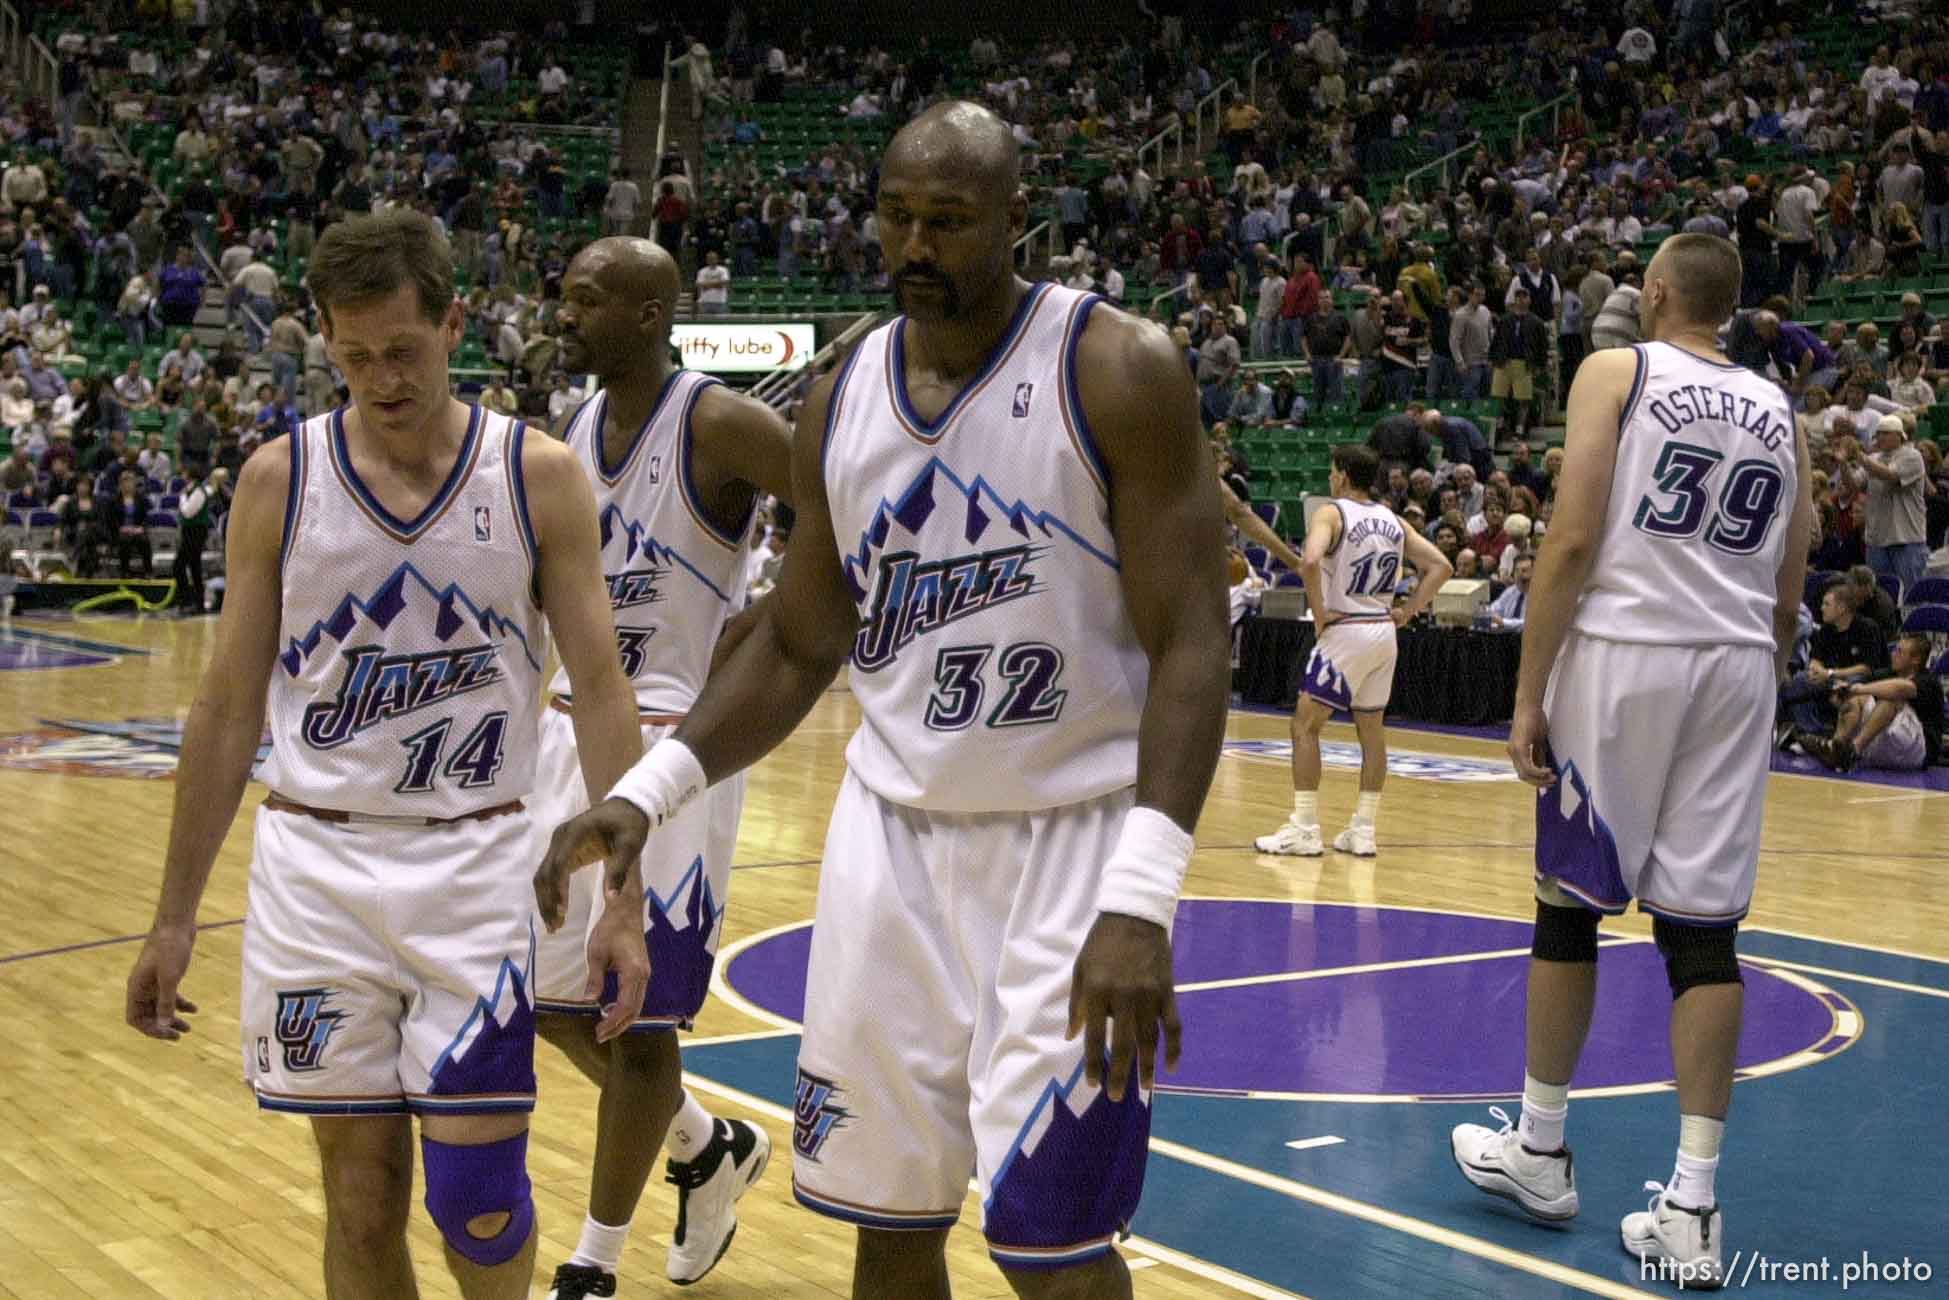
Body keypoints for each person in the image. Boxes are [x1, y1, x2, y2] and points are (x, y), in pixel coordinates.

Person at [535, 101, 1230, 1300]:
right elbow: (799, 642)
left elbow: (1194, 646)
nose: (915, 245)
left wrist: (1142, 896)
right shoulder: (847, 387)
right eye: (896, 217)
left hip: (1070, 850)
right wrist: (647, 793)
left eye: (949, 222)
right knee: (886, 1225)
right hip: (889, 851)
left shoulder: (1118, 369)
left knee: (1049, 1243)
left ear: (1018, 221)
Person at [123, 210, 649, 1300]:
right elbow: (226, 710)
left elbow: (600, 691)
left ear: (454, 321)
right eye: (352, 356)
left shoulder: (537, 475)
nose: (379, 378)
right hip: (317, 873)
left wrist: (624, 902)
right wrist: (174, 915)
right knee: (360, 1201)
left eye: (401, 350)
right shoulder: (281, 478)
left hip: (475, 866)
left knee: (480, 1201)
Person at [1450, 235, 1814, 1290]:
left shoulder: (1618, 369)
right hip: (1738, 663)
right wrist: (1748, 662)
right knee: (1704, 933)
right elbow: (1789, 584)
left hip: (1625, 654)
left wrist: (1528, 691)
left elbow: (1567, 541)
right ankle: (1692, 1206)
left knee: (1566, 903)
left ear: (1654, 294)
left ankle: (1540, 1147)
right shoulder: (1780, 414)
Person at [534, 237, 794, 1298]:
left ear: (649, 314)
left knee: (632, 1017)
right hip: (569, 730)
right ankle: (702, 1145)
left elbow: (846, 511)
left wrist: (772, 619)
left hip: (675, 743)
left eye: (586, 299)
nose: (564, 313)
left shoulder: (719, 421)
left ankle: (593, 1264)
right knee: (545, 998)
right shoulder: (575, 429)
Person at [1254, 445, 1453, 858]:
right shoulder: (1393, 521)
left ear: (1342, 476)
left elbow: (1309, 561)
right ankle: (1363, 830)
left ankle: (1305, 828)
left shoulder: (1332, 513)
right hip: (1383, 631)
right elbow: (1441, 567)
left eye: (1331, 471)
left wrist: (1321, 613)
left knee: (1304, 727)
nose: (1330, 478)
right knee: (1372, 731)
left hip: (1346, 629)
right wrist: (1409, 610)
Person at [1800, 634, 1943, 772]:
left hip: (1917, 752)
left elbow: (1900, 688)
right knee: (1854, 700)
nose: (1893, 654)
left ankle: (1854, 750)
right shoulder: (1887, 673)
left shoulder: (1928, 681)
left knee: (1889, 698)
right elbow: (1853, 691)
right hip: (1885, 744)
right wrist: (1842, 695)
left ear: (1916, 659)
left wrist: (1860, 689)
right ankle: (1836, 749)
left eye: (1899, 651)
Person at [171, 462, 224, 612]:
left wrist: (181, 498)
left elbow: (188, 512)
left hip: (196, 532)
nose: (182, 474)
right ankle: (194, 602)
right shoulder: (191, 489)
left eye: (185, 472)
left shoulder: (198, 491)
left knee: (180, 566)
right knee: (193, 567)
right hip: (189, 531)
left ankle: (189, 600)